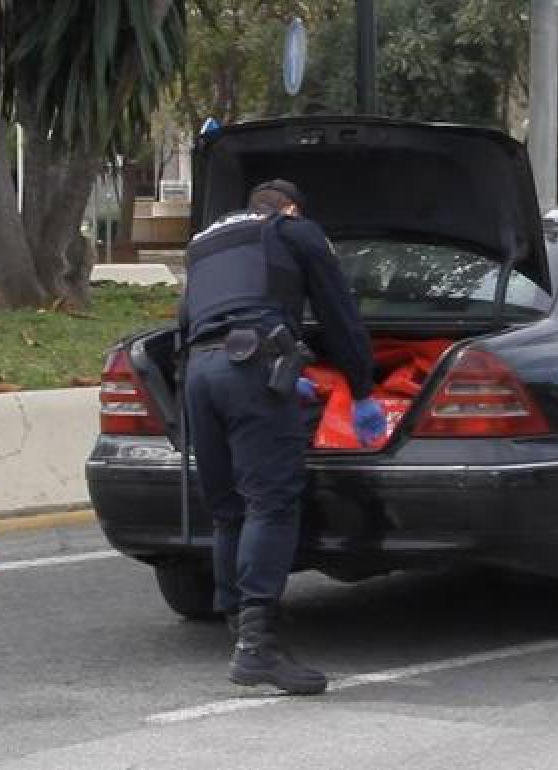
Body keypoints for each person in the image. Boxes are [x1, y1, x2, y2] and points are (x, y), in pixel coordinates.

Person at [180, 179, 386, 694]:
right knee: (271, 502)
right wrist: (361, 387)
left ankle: (236, 622)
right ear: (291, 208)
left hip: (199, 374)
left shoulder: (206, 242)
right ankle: (257, 648)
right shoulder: (295, 231)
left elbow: (186, 320)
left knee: (228, 506)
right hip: (252, 371)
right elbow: (338, 313)